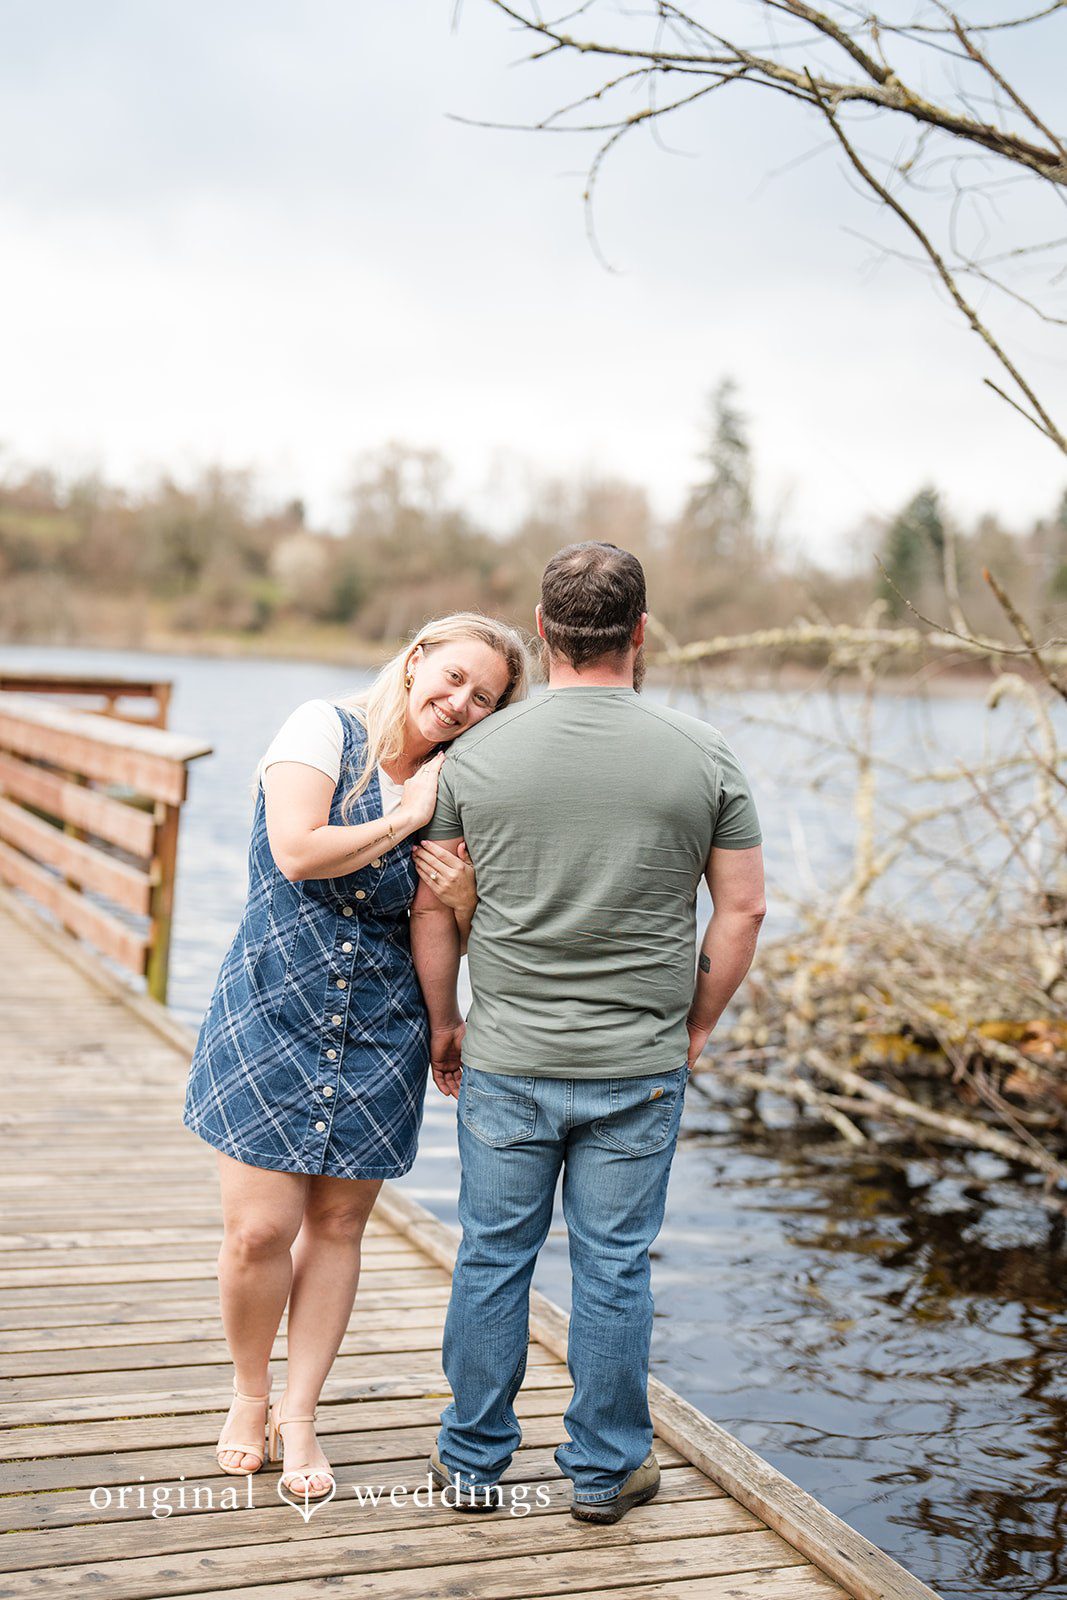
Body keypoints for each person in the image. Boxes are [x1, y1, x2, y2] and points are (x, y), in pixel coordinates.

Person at [411, 544, 765, 1522]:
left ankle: (472, 1461)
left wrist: (446, 1022)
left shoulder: (475, 754)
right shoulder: (703, 755)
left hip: (507, 1056)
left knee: (492, 1255)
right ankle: (605, 1471)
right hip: (638, 1063)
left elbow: (433, 906)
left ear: (540, 626)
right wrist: (693, 1024)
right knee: (611, 1264)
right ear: (641, 631)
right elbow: (741, 913)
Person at [182, 613, 529, 1500]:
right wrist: (406, 815)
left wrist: (448, 1010)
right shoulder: (321, 728)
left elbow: (429, 914)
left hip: (382, 1025)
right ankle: (248, 1394)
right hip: (272, 1006)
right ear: (416, 661)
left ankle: (300, 1413)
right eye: (452, 678)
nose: (459, 703)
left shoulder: (460, 781)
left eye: (483, 698)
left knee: (338, 1226)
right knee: (259, 1230)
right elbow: (297, 854)